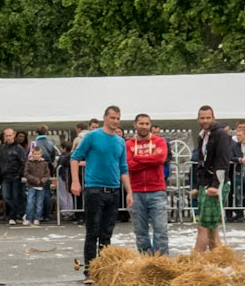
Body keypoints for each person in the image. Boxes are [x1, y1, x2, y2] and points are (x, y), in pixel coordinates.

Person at [68, 105, 130, 273]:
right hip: (94, 189)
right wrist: (75, 181)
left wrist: (129, 191)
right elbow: (75, 157)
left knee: (107, 232)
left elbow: (123, 168)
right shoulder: (92, 136)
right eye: (112, 118)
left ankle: (103, 268)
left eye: (118, 118)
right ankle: (90, 268)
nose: (115, 121)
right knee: (92, 231)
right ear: (105, 118)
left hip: (114, 190)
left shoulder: (120, 141)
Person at [126, 113, 170, 256]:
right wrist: (149, 160)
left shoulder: (160, 141)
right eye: (141, 123)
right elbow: (128, 165)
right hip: (136, 191)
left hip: (157, 190)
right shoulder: (128, 144)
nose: (144, 126)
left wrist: (137, 158)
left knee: (161, 230)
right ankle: (146, 263)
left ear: (150, 125)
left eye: (146, 123)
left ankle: (161, 262)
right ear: (135, 125)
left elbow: (160, 159)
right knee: (140, 232)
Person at [192, 105, 233, 253]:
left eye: (208, 117)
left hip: (216, 183)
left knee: (203, 225)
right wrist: (198, 185)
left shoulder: (221, 134)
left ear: (213, 118)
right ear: (198, 119)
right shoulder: (202, 135)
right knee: (211, 227)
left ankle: (197, 259)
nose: (205, 120)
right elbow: (202, 163)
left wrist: (216, 185)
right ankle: (218, 258)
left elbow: (223, 161)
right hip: (206, 183)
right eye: (202, 118)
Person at [0, 128, 27, 223]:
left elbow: (24, 162)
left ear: (14, 135)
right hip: (5, 176)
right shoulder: (2, 147)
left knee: (15, 196)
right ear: (4, 136)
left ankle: (13, 216)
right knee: (6, 196)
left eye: (10, 135)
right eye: (6, 136)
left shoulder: (19, 148)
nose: (8, 137)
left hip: (16, 176)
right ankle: (21, 213)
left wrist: (19, 174)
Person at [22, 144, 52, 227]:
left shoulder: (44, 163)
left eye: (38, 154)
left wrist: (43, 180)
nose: (36, 156)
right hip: (31, 185)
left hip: (41, 186)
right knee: (30, 202)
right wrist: (35, 179)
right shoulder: (28, 163)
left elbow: (47, 174)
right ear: (32, 153)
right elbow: (26, 173)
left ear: (41, 154)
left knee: (39, 203)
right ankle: (28, 218)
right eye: (35, 154)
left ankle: (37, 218)